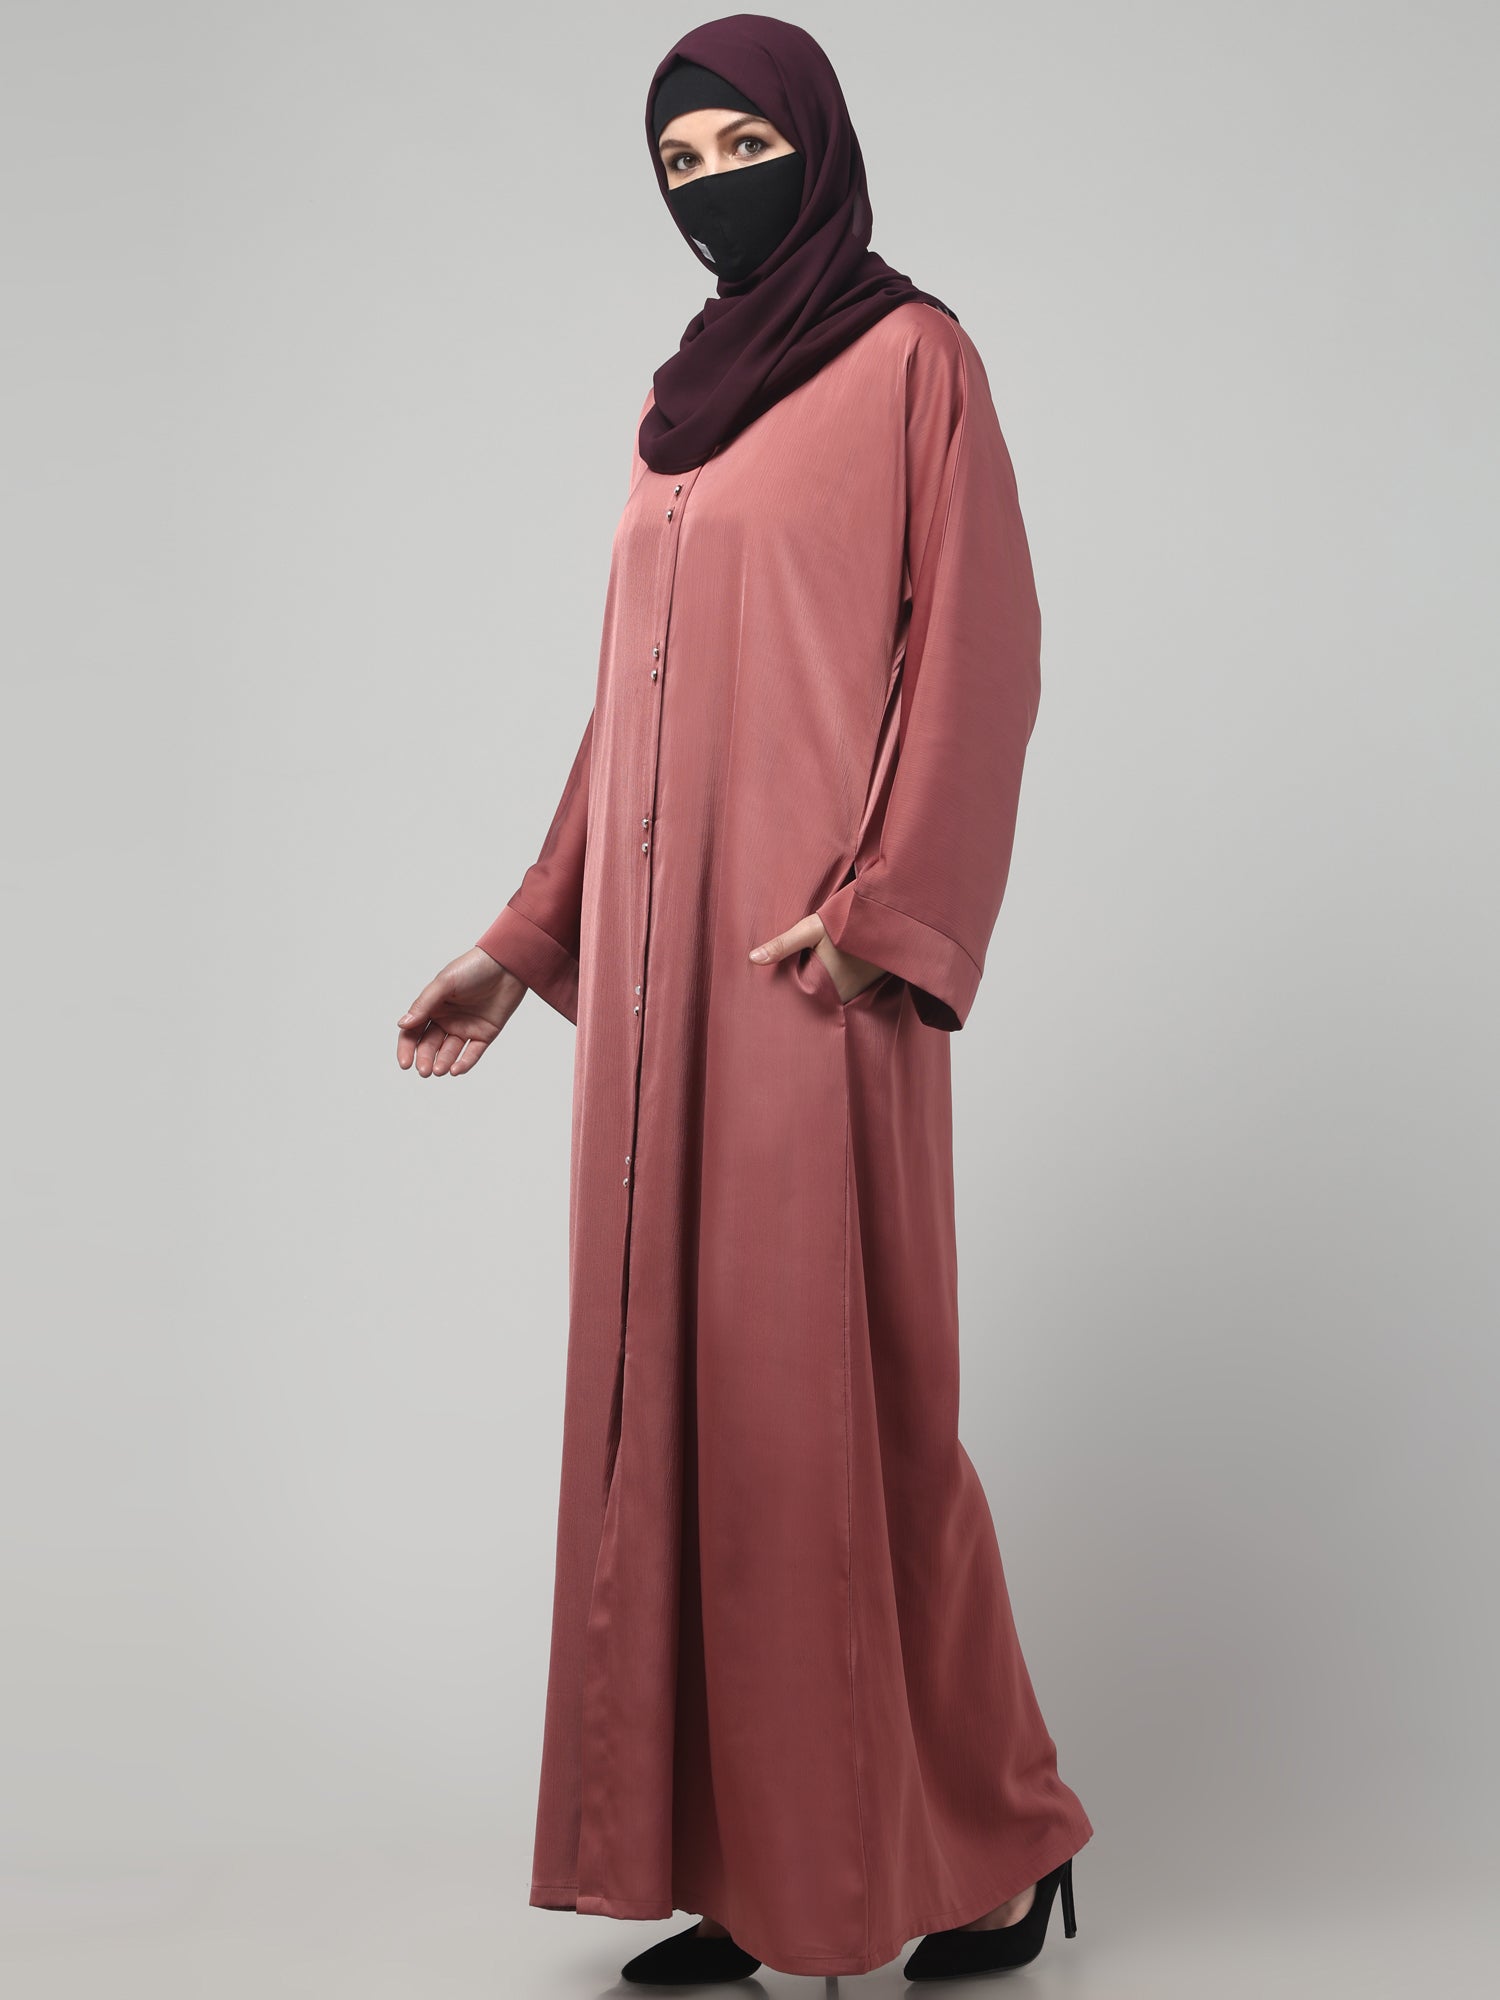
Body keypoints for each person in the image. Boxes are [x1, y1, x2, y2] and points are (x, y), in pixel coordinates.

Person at [396, 13, 1093, 1985]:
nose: (712, 189)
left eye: (739, 148)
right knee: (679, 1426)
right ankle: (747, 1866)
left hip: (810, 979)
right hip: (648, 1007)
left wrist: (885, 915)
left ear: (820, 144)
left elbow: (983, 658)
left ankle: (1002, 1841)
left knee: (842, 1426)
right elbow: (630, 708)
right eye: (678, 165)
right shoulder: (675, 414)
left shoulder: (912, 359)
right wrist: (526, 938)